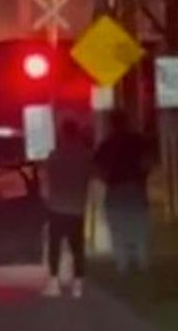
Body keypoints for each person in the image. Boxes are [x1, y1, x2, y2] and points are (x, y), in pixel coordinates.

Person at [95, 110, 151, 274]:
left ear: (112, 124)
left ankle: (122, 264)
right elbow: (147, 163)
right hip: (136, 189)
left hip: (115, 190)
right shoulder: (138, 141)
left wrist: (107, 180)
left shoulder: (106, 144)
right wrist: (142, 177)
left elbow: (98, 169)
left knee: (117, 229)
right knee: (139, 228)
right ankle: (142, 261)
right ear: (127, 122)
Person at [41, 119, 93, 298]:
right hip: (77, 207)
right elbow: (91, 176)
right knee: (77, 247)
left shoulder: (54, 156)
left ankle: (54, 283)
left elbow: (46, 180)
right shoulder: (85, 156)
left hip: (57, 206)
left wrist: (46, 199)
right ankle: (78, 284)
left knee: (55, 246)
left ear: (62, 134)